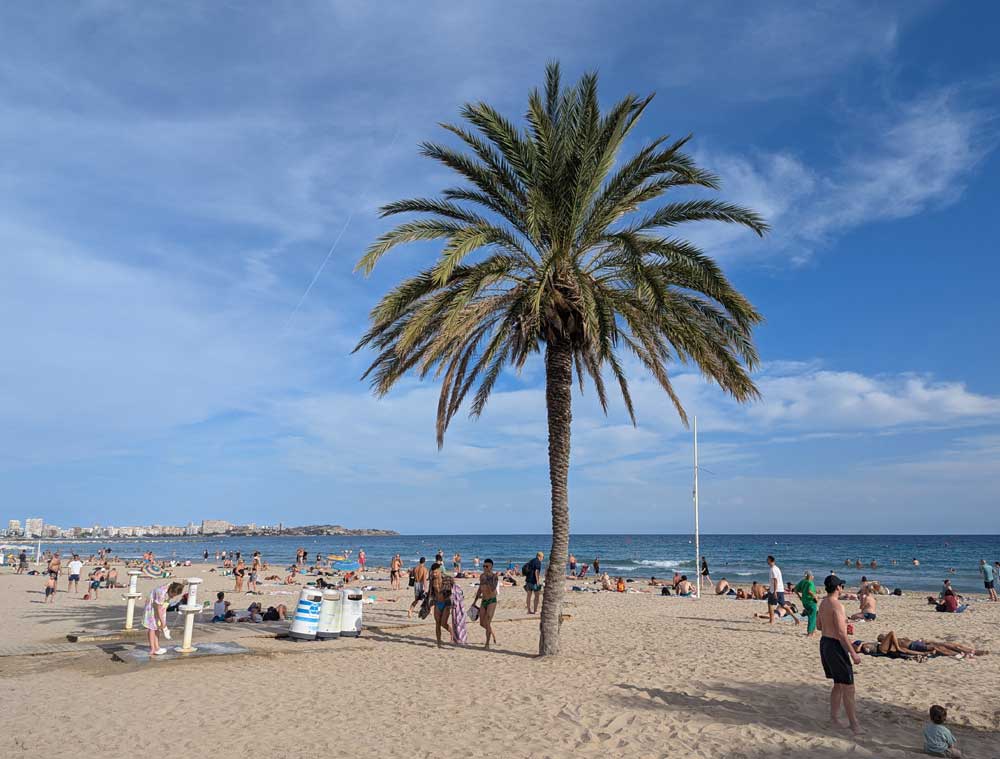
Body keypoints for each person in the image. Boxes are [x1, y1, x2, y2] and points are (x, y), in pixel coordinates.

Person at [817, 574, 862, 735]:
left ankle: (834, 718)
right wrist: (854, 654)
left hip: (825, 643)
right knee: (849, 688)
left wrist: (838, 625)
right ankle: (854, 724)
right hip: (835, 646)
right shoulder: (837, 605)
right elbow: (842, 634)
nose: (842, 588)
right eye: (841, 586)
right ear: (837, 588)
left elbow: (819, 626)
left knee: (838, 684)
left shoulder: (823, 603)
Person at [144, 581, 185, 656]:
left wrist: (162, 624)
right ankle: (152, 648)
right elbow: (158, 609)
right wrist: (164, 623)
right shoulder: (161, 593)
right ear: (170, 590)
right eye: (172, 595)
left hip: (160, 605)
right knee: (152, 627)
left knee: (158, 626)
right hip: (151, 605)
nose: (172, 597)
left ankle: (157, 647)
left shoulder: (171, 586)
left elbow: (180, 585)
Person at [472, 558, 499, 649]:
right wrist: (475, 601)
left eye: (486, 566)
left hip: (492, 601)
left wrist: (488, 578)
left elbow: (493, 588)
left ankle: (487, 643)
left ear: (491, 567)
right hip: (483, 601)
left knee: (487, 621)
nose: (484, 567)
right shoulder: (482, 576)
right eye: (483, 566)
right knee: (482, 623)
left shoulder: (494, 577)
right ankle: (492, 632)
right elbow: (480, 589)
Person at [766, 556, 799, 625]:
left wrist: (774, 591)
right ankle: (795, 619)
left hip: (776, 590)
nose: (767, 561)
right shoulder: (776, 568)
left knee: (770, 605)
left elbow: (775, 581)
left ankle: (771, 621)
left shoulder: (773, 569)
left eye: (768, 560)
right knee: (783, 605)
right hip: (779, 589)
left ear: (771, 561)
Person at [429, 562, 452, 648]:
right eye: (433, 572)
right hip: (437, 603)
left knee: (443, 623)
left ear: (439, 570)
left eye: (435, 572)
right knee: (437, 623)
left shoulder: (447, 579)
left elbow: (455, 589)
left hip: (446, 603)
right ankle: (439, 642)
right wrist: (430, 604)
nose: (434, 574)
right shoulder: (432, 580)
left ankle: (451, 632)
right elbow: (431, 593)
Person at [793, 571, 819, 637]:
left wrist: (800, 597)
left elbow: (795, 590)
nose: (813, 577)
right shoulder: (810, 582)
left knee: (812, 615)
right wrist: (815, 597)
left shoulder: (803, 581)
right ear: (810, 576)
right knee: (812, 616)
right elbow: (809, 591)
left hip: (804, 601)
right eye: (812, 575)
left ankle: (813, 631)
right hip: (811, 601)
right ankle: (810, 632)